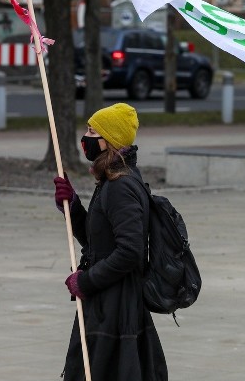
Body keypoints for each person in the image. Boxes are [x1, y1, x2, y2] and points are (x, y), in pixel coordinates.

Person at [53, 103, 167, 380]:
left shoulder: (120, 186)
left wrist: (86, 281)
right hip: (107, 299)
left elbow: (130, 251)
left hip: (115, 305)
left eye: (93, 131)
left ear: (110, 141)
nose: (86, 138)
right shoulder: (111, 180)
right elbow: (98, 242)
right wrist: (72, 206)